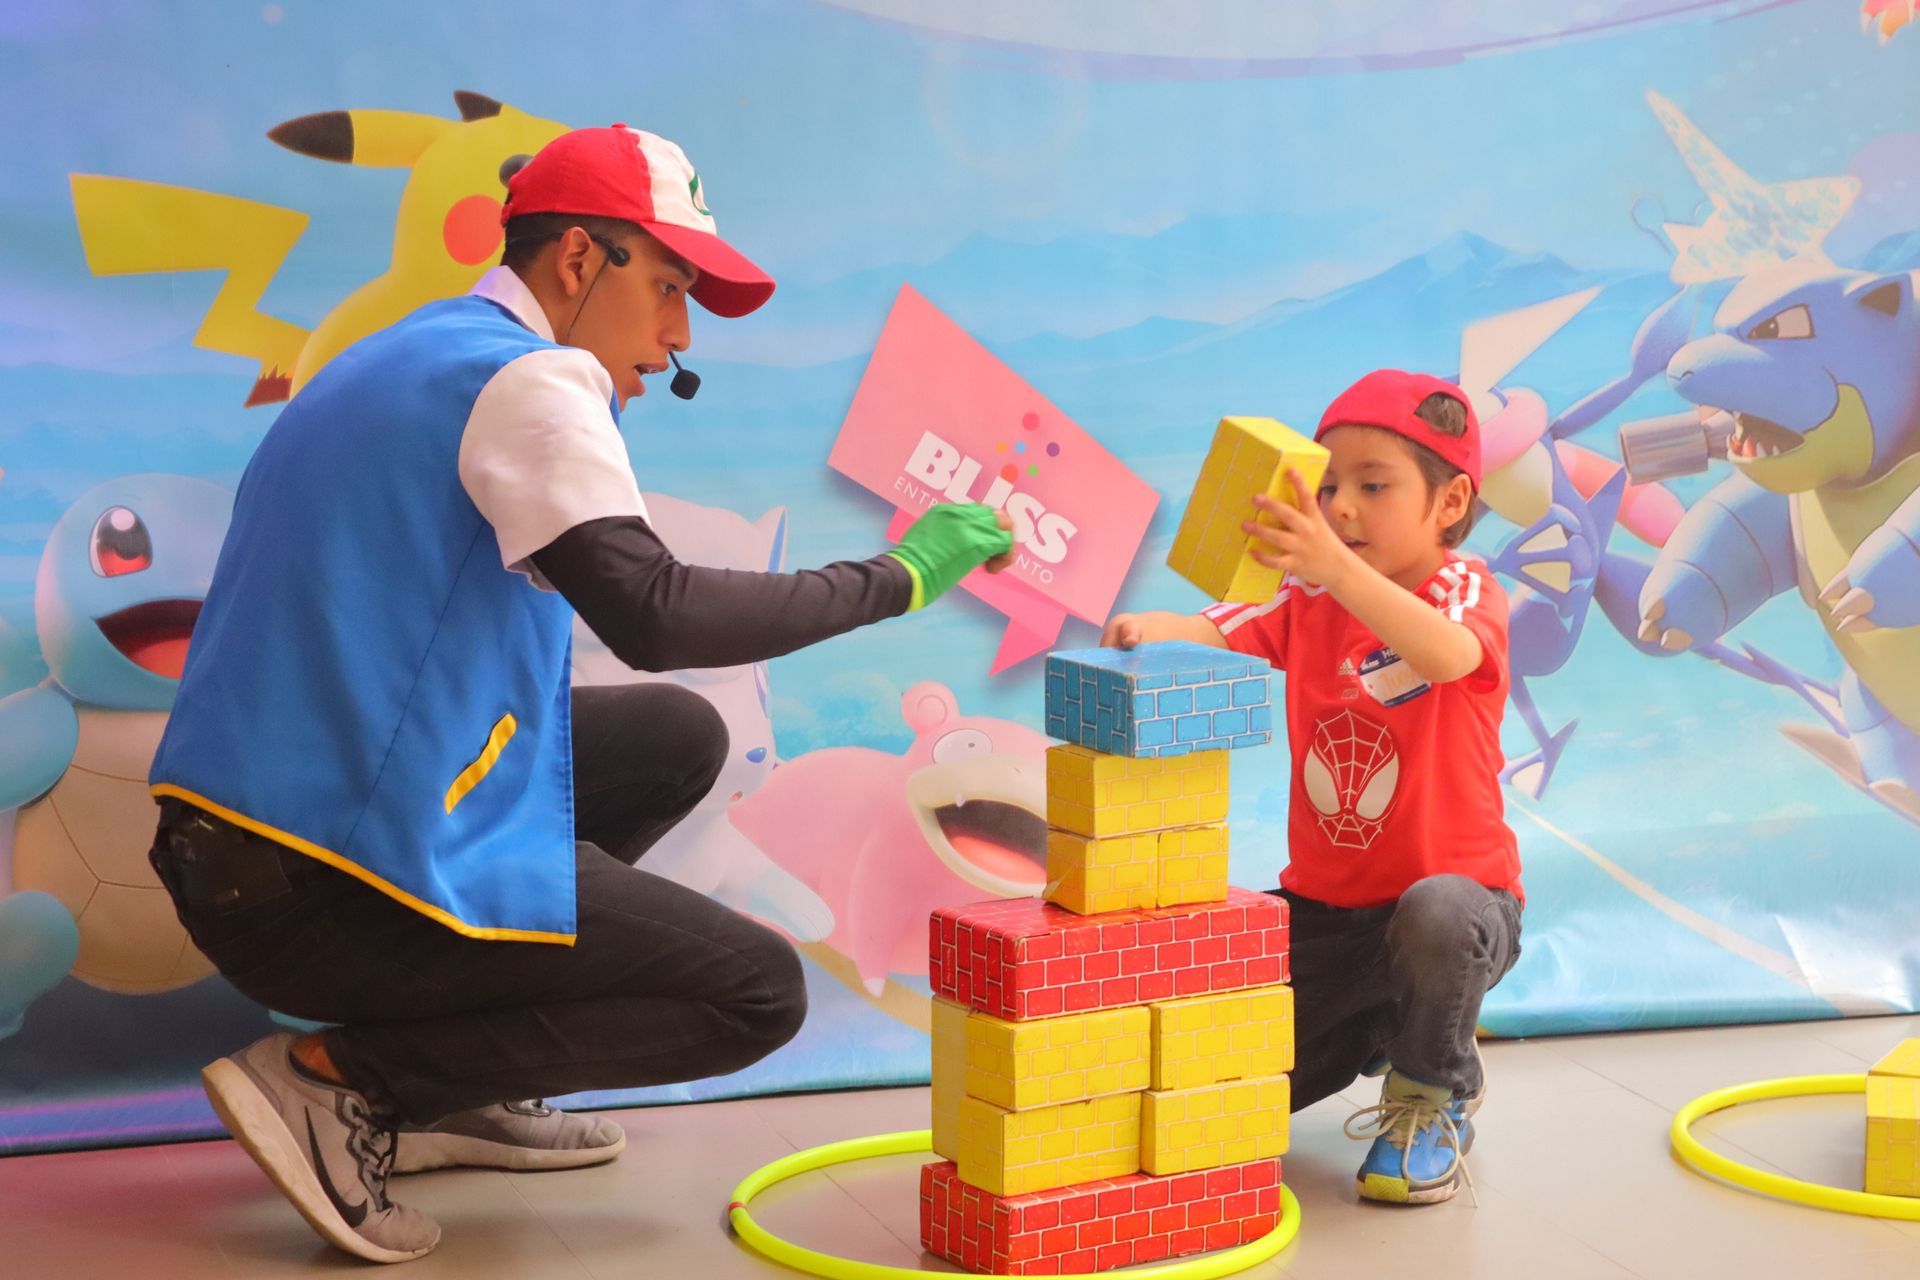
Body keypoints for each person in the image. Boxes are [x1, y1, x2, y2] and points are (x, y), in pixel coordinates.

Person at [145, 123, 1013, 1263]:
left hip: (252, 844)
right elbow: (655, 615)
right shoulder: (529, 376)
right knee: (754, 992)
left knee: (673, 737)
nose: (676, 336)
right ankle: (348, 1079)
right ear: (575, 263)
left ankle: (455, 1082)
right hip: (313, 876)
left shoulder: (424, 350)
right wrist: (899, 578)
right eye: (666, 286)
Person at [1103, 369, 1522, 1206]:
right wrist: (1155, 628)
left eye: (1374, 486)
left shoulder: (1460, 588)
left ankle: (1432, 1094)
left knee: (1436, 913)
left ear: (1449, 504)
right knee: (1236, 1089)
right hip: (1328, 918)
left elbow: (1447, 655)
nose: (1342, 508)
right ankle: (1379, 1022)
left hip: (1460, 913)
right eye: (1329, 487)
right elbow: (1226, 624)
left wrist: (1334, 567)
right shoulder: (1309, 601)